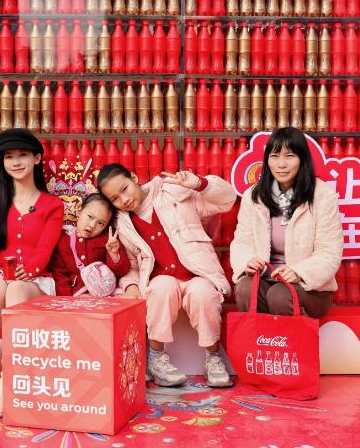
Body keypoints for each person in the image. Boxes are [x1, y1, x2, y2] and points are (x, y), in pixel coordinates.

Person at [97, 164, 236, 388]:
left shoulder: (173, 192)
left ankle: (213, 357)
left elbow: (226, 200)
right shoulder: (123, 224)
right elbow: (132, 265)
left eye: (124, 189)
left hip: (197, 274)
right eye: (115, 199)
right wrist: (131, 284)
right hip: (161, 279)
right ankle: (156, 358)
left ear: (134, 177)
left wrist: (200, 184)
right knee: (161, 288)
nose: (124, 199)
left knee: (203, 294)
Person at [0, 128, 64, 418]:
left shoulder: (52, 205)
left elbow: (43, 254)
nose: (15, 162)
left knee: (15, 287)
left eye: (22, 155)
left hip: (35, 281)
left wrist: (26, 270)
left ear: (37, 158)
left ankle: (10, 380)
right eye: (8, 157)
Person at [230, 127, 343, 318]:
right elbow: (242, 241)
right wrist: (247, 261)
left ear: (302, 159)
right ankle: (258, 339)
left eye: (289, 156)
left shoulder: (322, 196)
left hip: (308, 287)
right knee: (245, 289)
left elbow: (329, 252)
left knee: (279, 296)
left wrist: (299, 272)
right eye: (274, 156)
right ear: (267, 160)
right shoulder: (254, 196)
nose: (281, 164)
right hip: (266, 278)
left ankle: (289, 339)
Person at [50, 192, 131, 297]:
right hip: (79, 294)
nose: (92, 225)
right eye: (90, 216)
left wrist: (114, 254)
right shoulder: (63, 239)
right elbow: (59, 274)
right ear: (79, 210)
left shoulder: (108, 239)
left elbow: (122, 271)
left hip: (106, 293)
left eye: (100, 223)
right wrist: (65, 299)